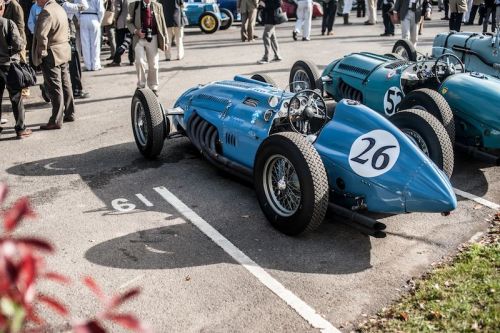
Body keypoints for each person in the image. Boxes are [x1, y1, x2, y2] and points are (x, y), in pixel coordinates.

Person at [32, 0, 75, 129]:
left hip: (52, 53)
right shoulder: (59, 8)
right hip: (63, 50)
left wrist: (41, 54)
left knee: (55, 87)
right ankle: (69, 112)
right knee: (65, 83)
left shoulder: (47, 11)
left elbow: (41, 36)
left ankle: (56, 120)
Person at [0, 0, 31, 138]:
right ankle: (20, 128)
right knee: (16, 98)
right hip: (8, 65)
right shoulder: (7, 23)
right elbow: (18, 44)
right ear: (1, 8)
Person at [127, 0, 167, 95]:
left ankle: (153, 87)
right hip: (139, 38)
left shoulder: (158, 6)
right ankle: (141, 85)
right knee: (139, 62)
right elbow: (128, 22)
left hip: (153, 37)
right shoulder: (134, 5)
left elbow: (163, 23)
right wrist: (136, 31)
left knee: (154, 64)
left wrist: (166, 41)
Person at [79, 0, 104, 71]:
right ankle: (96, 65)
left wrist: (79, 18)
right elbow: (101, 10)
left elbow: (76, 8)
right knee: (95, 43)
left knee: (85, 43)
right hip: (94, 17)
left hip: (83, 16)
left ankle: (88, 65)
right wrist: (99, 20)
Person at [107, 0, 133, 66]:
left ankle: (117, 60)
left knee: (119, 42)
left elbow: (118, 9)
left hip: (122, 21)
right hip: (132, 22)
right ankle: (132, 60)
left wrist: (114, 18)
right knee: (131, 42)